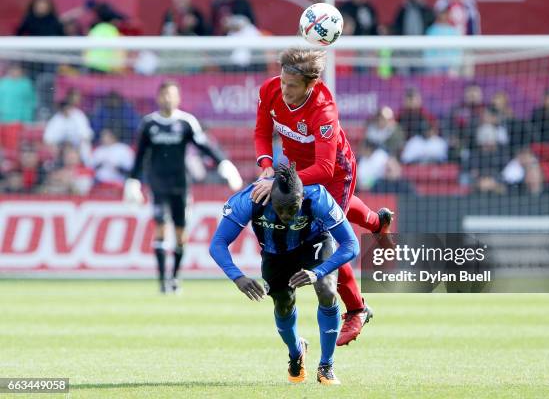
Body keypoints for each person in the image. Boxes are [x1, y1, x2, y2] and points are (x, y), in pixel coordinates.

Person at [251, 48, 393, 346]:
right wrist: (266, 168)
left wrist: (280, 181)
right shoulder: (270, 89)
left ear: (310, 85)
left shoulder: (323, 109)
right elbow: (262, 133)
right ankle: (376, 221)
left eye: (292, 86)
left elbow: (326, 168)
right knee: (333, 217)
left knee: (324, 235)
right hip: (296, 168)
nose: (284, 89)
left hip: (335, 173)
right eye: (283, 82)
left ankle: (357, 308)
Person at [210, 164, 358, 385]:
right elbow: (218, 243)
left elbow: (351, 245)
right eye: (280, 209)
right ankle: (296, 352)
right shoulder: (249, 199)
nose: (287, 215)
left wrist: (318, 272)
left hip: (313, 243)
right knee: (283, 303)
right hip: (275, 252)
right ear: (270, 197)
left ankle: (326, 366)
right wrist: (238, 277)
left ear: (302, 195)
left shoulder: (318, 198)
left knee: (327, 290)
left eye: (293, 208)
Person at [124, 81, 243, 294]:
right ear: (158, 97)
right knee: (160, 228)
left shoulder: (186, 122)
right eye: (164, 95)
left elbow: (204, 145)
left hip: (180, 185)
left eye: (171, 95)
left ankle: (175, 277)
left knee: (180, 233)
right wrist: (133, 180)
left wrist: (223, 163)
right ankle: (162, 281)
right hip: (157, 184)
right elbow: (140, 155)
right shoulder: (149, 124)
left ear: (178, 98)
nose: (167, 99)